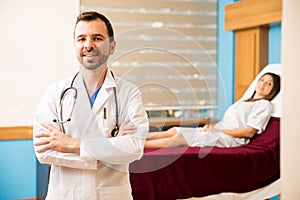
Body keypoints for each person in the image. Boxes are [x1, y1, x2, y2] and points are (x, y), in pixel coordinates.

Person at [33, 11, 149, 200]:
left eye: (97, 38)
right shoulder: (55, 93)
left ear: (112, 46)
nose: (88, 45)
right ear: (75, 46)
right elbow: (44, 151)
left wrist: (72, 145)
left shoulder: (129, 93)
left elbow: (134, 147)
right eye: (81, 39)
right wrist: (108, 151)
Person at [144, 72, 281, 148]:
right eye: (262, 80)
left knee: (180, 137)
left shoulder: (264, 105)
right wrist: (212, 127)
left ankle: (138, 148)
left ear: (273, 90)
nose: (263, 84)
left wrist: (217, 130)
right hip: (219, 132)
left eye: (269, 83)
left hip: (232, 140)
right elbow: (229, 122)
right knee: (175, 130)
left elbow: (249, 132)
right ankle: (138, 140)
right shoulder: (244, 101)